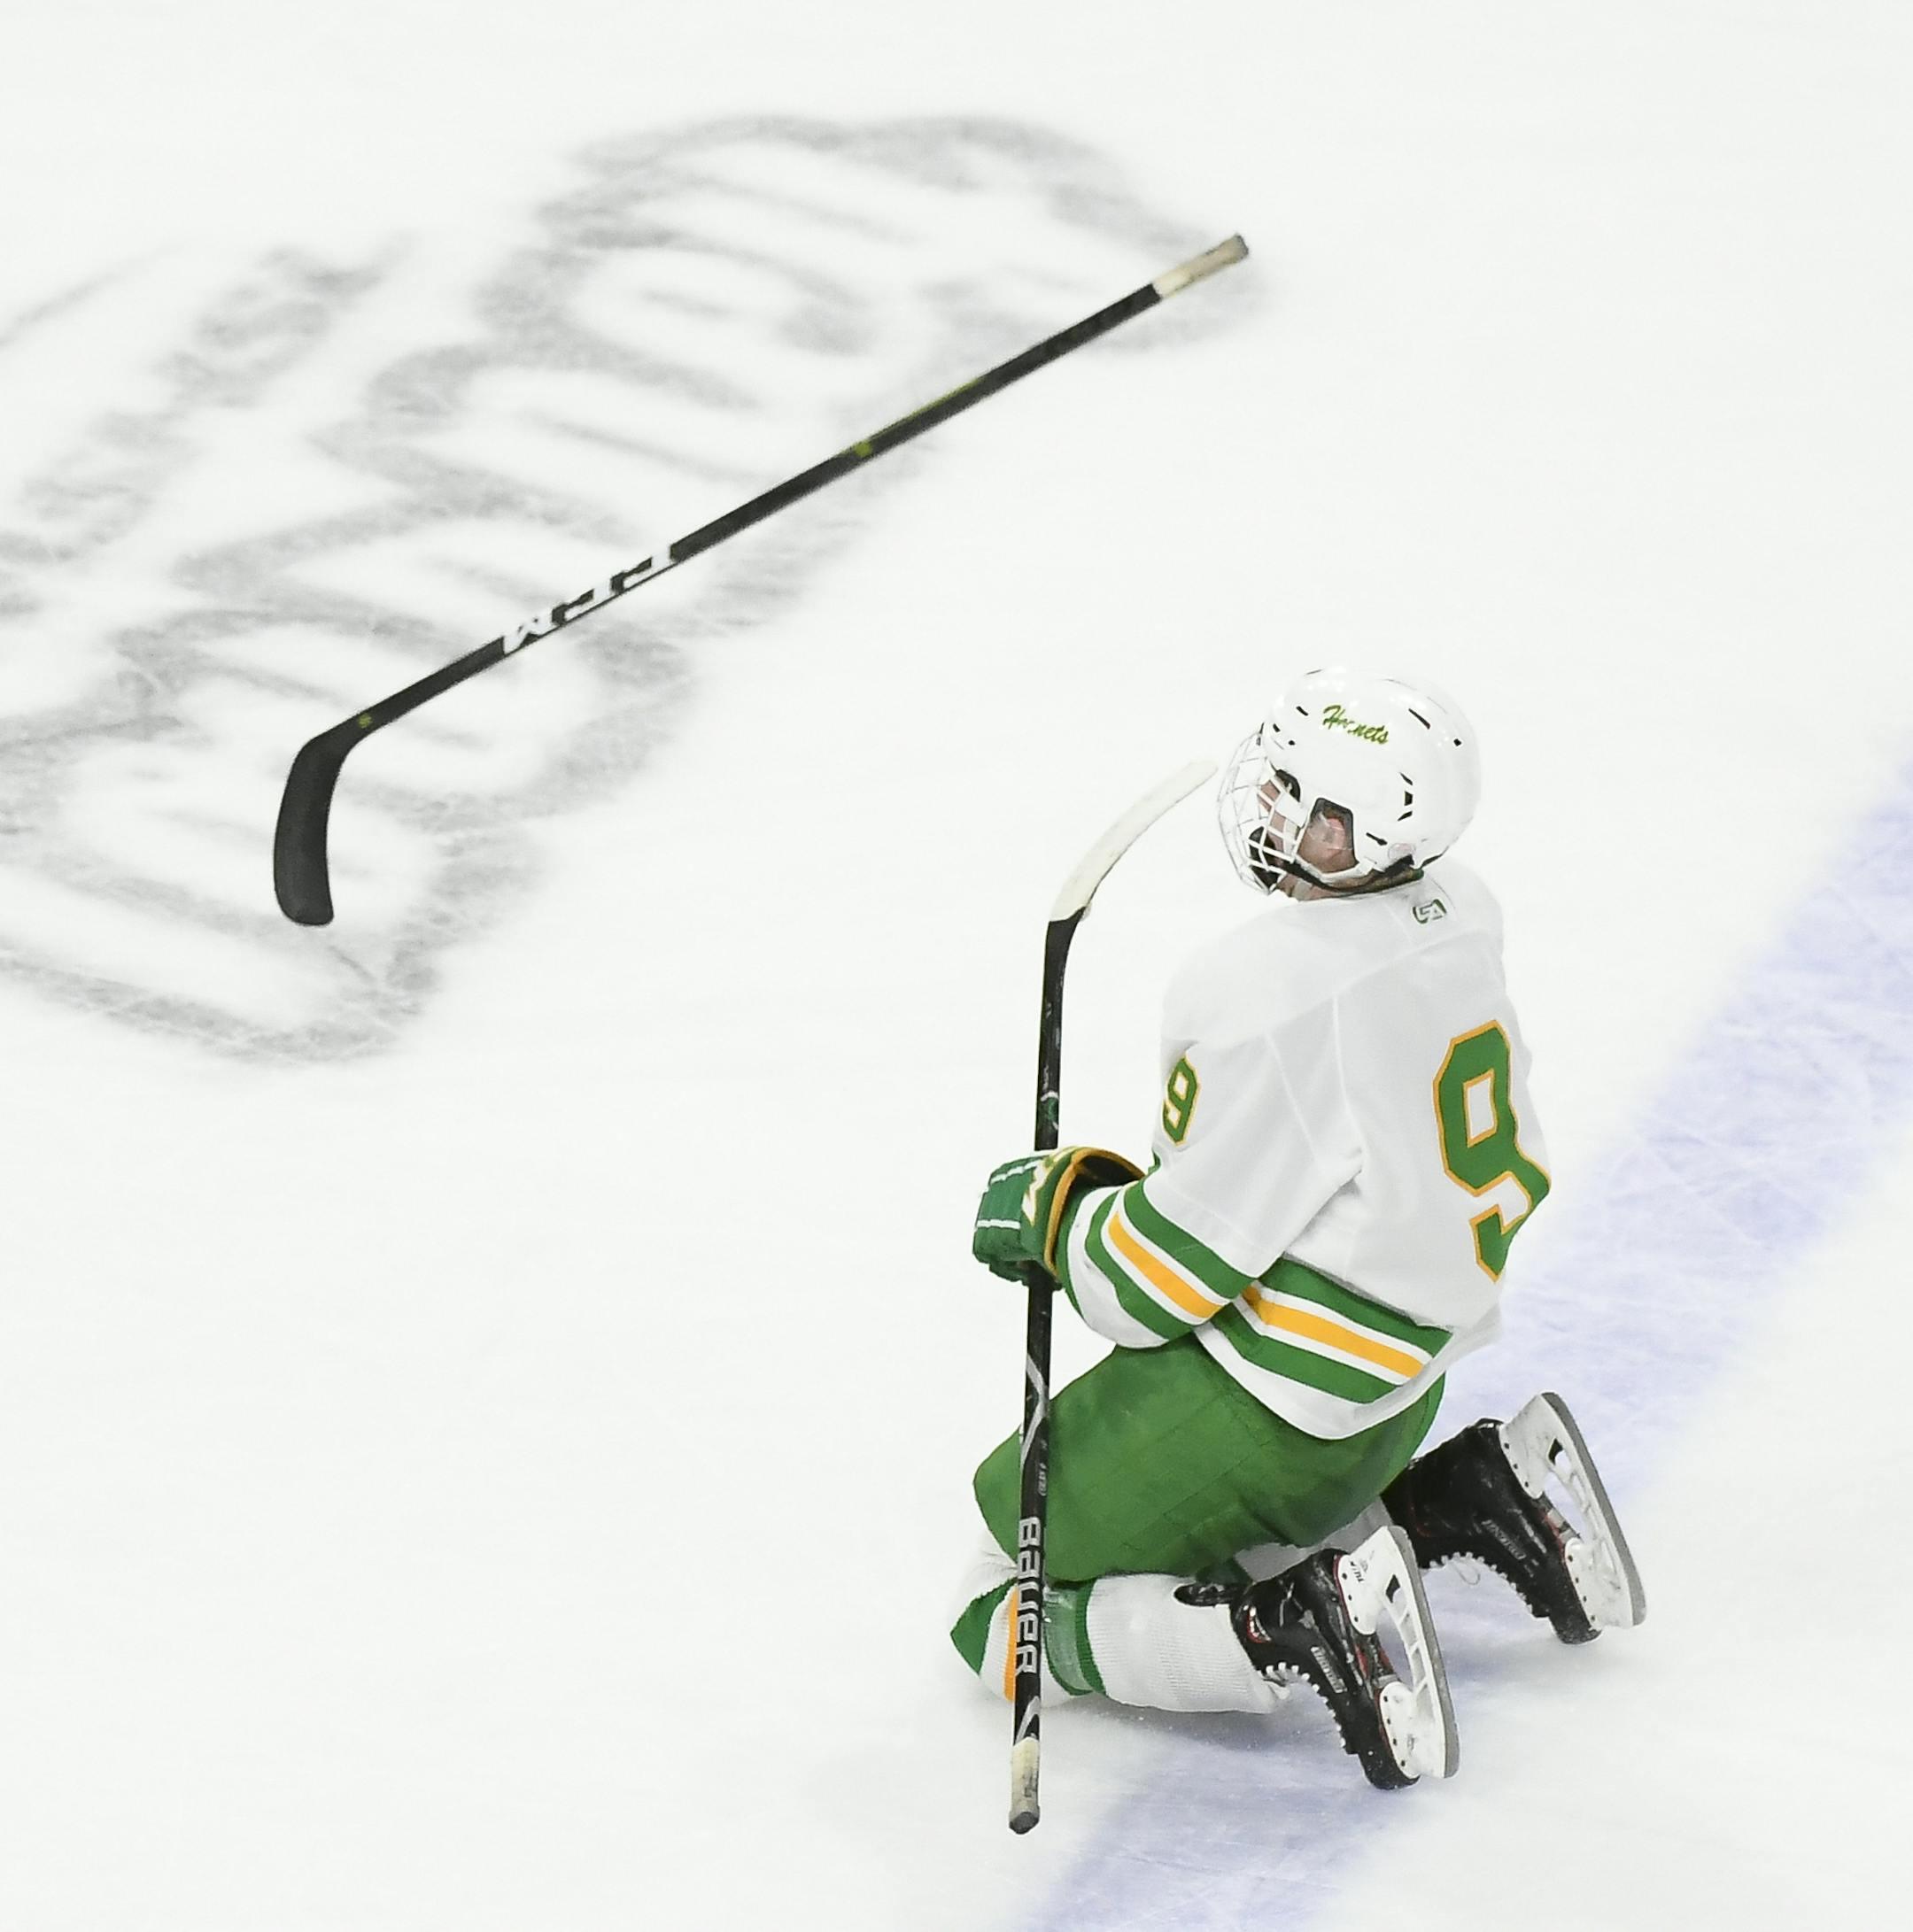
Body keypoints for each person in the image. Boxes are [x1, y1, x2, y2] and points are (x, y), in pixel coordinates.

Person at [952, 668, 1645, 1789]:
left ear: (1352, 835)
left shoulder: (1266, 988)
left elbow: (1155, 1288)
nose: (1269, 811)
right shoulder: (1457, 905)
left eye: (1301, 801)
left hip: (1280, 1412)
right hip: (1404, 1388)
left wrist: (1059, 1218)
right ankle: (1464, 1493)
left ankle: (1292, 1626)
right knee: (1242, 1526)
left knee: (995, 1594)